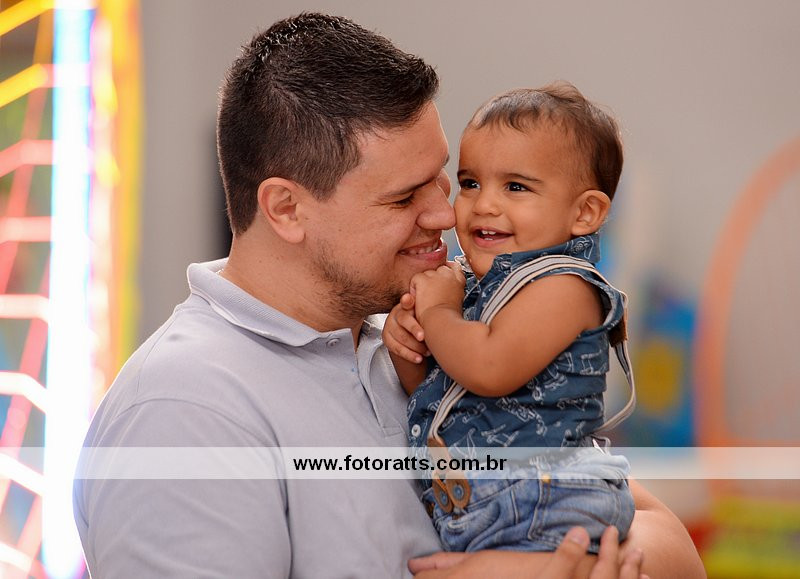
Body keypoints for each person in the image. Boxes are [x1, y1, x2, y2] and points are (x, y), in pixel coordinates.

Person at [73, 12, 705, 578]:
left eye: (443, 181)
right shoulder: (186, 410)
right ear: (286, 208)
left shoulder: (409, 340)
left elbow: (664, 538)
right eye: (404, 198)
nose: (446, 216)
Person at [383, 82, 636, 555]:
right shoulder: (473, 285)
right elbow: (444, 391)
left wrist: (437, 313)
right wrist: (410, 344)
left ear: (585, 213)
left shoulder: (564, 287)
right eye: (470, 183)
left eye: (516, 187)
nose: (484, 204)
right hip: (484, 504)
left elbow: (488, 368)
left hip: (547, 502)